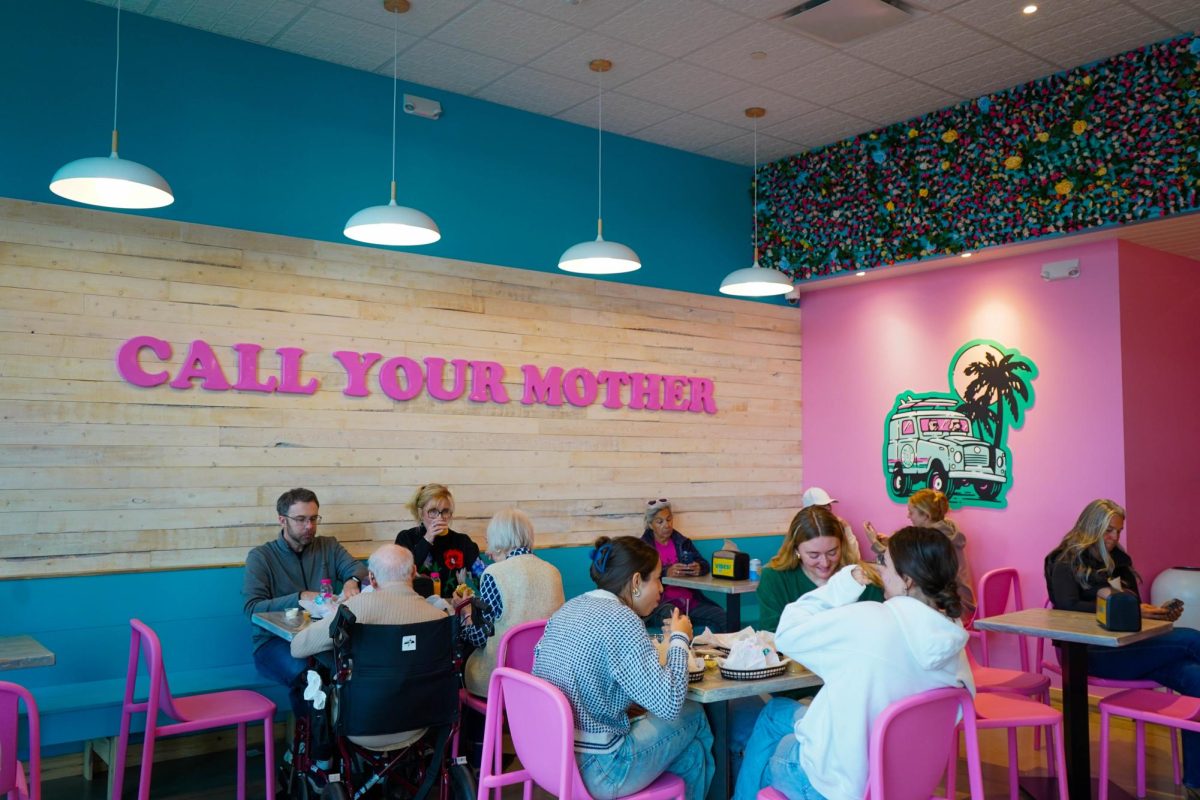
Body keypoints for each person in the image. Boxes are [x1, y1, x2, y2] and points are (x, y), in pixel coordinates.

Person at [735, 526, 974, 800]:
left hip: (841, 787)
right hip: (908, 783)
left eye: (885, 563)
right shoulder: (954, 638)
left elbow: (786, 634)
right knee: (778, 712)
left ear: (907, 579)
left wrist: (842, 585)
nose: (880, 570)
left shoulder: (869, 619)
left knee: (780, 745)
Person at [533, 536, 715, 800]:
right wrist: (679, 639)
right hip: (601, 769)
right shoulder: (622, 618)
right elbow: (670, 702)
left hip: (553, 758)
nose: (662, 589)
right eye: (657, 579)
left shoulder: (571, 607)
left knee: (692, 753)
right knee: (694, 713)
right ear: (636, 582)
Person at [1045, 499, 1200, 798]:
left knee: (1195, 678)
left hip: (1131, 647)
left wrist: (1148, 611)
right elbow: (1067, 606)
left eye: (1118, 531)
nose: (1115, 538)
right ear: (1092, 527)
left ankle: (1195, 783)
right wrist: (1131, 608)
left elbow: (1130, 607)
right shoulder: (1064, 560)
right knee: (1191, 639)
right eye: (1109, 531)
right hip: (1090, 653)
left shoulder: (1119, 560)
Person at [291, 544, 449, 750]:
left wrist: (333, 616)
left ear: (372, 578)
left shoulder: (356, 609)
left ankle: (323, 760)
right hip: (420, 723)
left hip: (360, 724)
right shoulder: (439, 616)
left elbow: (298, 648)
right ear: (413, 572)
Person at [243, 488, 368, 713]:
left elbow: (357, 568)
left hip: (320, 638)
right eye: (300, 519)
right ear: (282, 520)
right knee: (311, 675)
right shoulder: (261, 557)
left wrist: (351, 581)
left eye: (313, 518)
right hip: (273, 643)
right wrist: (299, 597)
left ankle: (340, 739)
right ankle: (309, 744)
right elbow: (252, 609)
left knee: (352, 667)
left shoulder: (328, 546)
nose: (309, 526)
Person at [462, 507, 565, 697]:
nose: (488, 551)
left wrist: (466, 618)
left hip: (504, 676)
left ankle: (482, 725)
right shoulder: (553, 572)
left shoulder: (494, 574)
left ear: (500, 541)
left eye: (489, 541)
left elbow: (480, 637)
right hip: (546, 676)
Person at [757, 506, 882, 632]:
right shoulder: (774, 578)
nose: (825, 563)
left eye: (832, 552)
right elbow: (771, 636)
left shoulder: (862, 578)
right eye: (813, 555)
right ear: (796, 550)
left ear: (842, 545)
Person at [864, 488, 976, 620]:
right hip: (959, 600)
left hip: (955, 607)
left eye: (911, 512)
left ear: (926, 516)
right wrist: (890, 542)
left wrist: (874, 542)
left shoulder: (934, 541)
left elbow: (907, 562)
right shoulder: (944, 532)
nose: (908, 516)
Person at [640, 498, 728, 633]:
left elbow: (704, 564)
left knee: (725, 618)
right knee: (677, 622)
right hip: (661, 605)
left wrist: (698, 568)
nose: (666, 525)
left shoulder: (682, 542)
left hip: (690, 601)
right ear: (651, 525)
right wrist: (665, 572)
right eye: (660, 521)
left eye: (669, 519)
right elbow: (641, 576)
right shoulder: (643, 546)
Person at [394, 483, 484, 598]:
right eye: (433, 511)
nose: (440, 518)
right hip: (416, 608)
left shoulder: (462, 541)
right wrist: (427, 540)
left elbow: (482, 578)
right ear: (421, 513)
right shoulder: (406, 538)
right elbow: (399, 577)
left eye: (445, 511)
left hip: (453, 608)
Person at [799, 487, 861, 561]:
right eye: (823, 506)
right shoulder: (802, 531)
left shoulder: (836, 527)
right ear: (810, 510)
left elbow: (855, 559)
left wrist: (847, 529)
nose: (828, 509)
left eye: (828, 505)